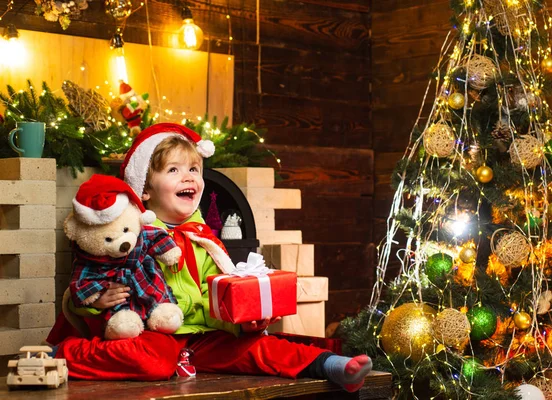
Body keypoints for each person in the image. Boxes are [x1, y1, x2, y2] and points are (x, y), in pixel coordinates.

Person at [47, 123, 372, 392]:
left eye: (194, 169)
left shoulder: (204, 238)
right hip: (153, 333)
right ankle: (66, 353)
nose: (188, 177)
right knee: (153, 361)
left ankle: (332, 366)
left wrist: (245, 321)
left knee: (260, 346)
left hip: (203, 336)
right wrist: (95, 302)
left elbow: (213, 297)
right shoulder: (130, 235)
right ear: (144, 188)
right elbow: (86, 282)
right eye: (174, 170)